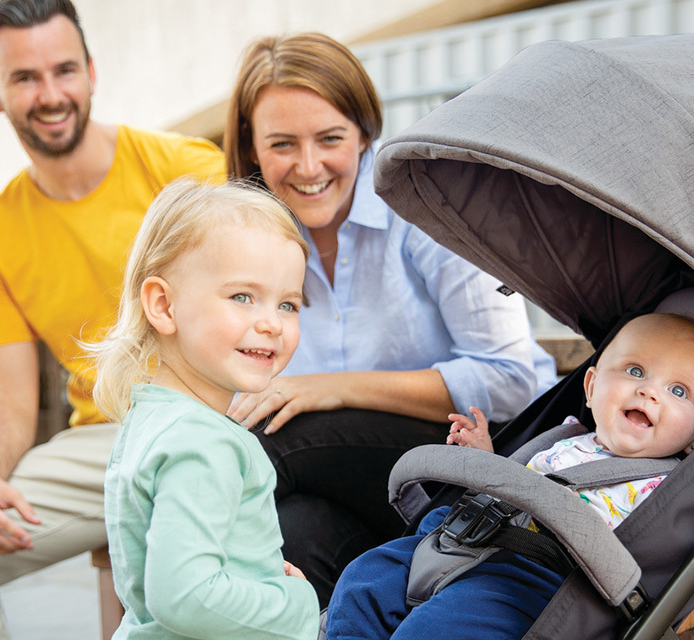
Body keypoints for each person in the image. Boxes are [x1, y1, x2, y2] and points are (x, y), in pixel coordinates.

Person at [0, 1, 226, 637]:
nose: (51, 94)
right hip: (103, 442)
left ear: (92, 71)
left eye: (64, 70)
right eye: (25, 78)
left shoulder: (186, 170)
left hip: (210, 419)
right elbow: (5, 389)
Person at [223, 32, 559, 604]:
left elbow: (512, 380)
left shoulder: (427, 207)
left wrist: (329, 390)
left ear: (363, 135)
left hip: (472, 465)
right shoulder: (246, 237)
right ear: (252, 147)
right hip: (363, 494)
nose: (308, 166)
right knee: (295, 530)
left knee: (273, 440)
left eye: (330, 138)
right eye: (282, 143)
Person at [325, 313, 694, 640]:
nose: (649, 392)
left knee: (437, 628)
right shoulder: (565, 436)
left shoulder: (665, 488)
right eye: (634, 371)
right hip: (457, 536)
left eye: (678, 391)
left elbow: (643, 558)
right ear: (590, 387)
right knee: (364, 577)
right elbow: (518, 481)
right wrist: (486, 459)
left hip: (526, 575)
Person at [88, 179, 319, 639]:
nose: (271, 323)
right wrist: (295, 605)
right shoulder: (203, 442)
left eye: (288, 304)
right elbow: (183, 597)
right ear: (163, 305)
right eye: (242, 297)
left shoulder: (155, 420)